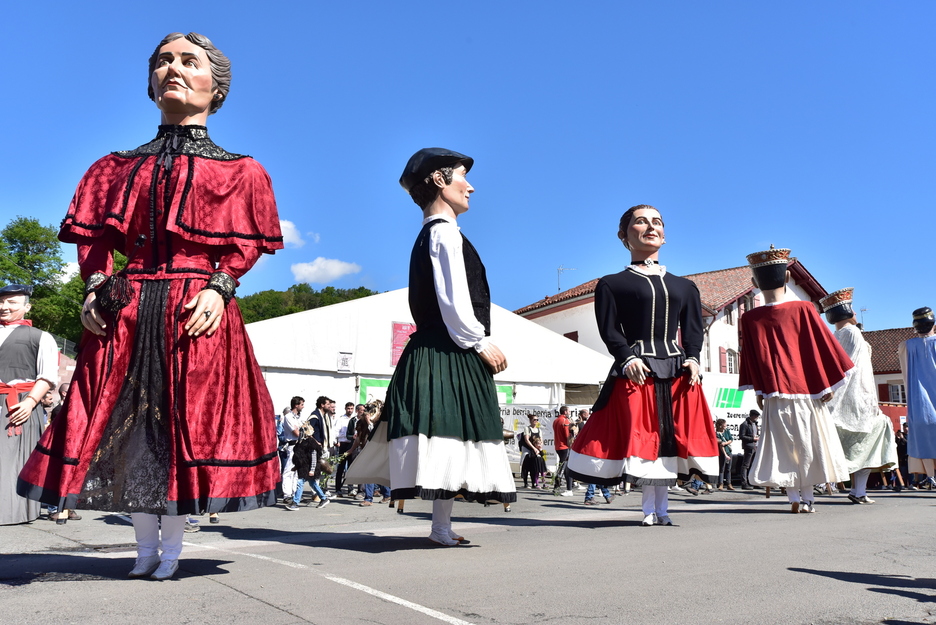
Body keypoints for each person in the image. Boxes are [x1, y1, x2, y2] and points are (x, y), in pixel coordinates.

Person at [17, 33, 283, 580]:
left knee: (182, 428)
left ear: (216, 86)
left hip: (195, 309)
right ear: (149, 82)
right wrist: (95, 288)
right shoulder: (112, 168)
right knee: (126, 427)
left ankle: (172, 550)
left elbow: (245, 245)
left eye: (190, 61)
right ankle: (143, 550)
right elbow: (91, 241)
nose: (174, 69)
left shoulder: (242, 172)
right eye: (163, 61)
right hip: (128, 308)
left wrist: (220, 285)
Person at [345, 148, 516, 546]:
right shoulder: (443, 233)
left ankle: (441, 526)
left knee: (444, 433)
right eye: (461, 176)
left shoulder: (433, 233)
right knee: (447, 430)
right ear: (439, 180)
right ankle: (439, 527)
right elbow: (452, 298)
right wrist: (478, 341)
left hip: (436, 347)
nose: (470, 185)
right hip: (448, 348)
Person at [567, 205, 719, 527]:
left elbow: (692, 330)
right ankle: (649, 509)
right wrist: (627, 357)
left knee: (671, 434)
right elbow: (610, 330)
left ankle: (661, 509)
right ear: (624, 236)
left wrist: (693, 358)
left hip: (678, 369)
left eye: (657, 222)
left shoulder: (685, 287)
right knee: (644, 433)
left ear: (664, 235)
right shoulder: (611, 284)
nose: (651, 227)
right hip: (636, 367)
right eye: (641, 221)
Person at [737, 247, 852, 514]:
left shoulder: (749, 317)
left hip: (775, 392)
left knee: (783, 444)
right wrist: (827, 383)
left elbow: (751, 358)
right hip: (807, 391)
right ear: (788, 277)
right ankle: (809, 497)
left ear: (754, 284)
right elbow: (821, 347)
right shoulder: (804, 308)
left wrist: (759, 389)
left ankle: (793, 497)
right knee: (809, 443)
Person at [820, 288, 897, 504]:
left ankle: (855, 489)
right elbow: (848, 368)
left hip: (851, 399)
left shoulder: (836, 334)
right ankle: (856, 489)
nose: (854, 312)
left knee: (860, 443)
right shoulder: (852, 333)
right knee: (869, 442)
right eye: (851, 308)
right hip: (856, 401)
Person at [0, 284, 58, 525]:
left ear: (27, 306)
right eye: (2, 301)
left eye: (12, 302)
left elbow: (47, 376)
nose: (4, 307)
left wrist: (31, 401)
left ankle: (12, 512)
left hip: (20, 405)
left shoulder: (41, 337)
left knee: (15, 460)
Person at [899, 307, 936, 486]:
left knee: (923, 441)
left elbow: (905, 374)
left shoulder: (906, 346)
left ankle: (931, 476)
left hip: (919, 404)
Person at [519, 414, 546, 488]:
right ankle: (526, 482)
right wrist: (534, 448)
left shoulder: (539, 430)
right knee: (526, 466)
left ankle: (534, 482)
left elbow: (541, 440)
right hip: (528, 448)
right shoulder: (527, 429)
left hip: (536, 449)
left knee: (535, 466)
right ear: (530, 421)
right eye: (534, 420)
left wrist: (539, 448)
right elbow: (527, 440)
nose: (536, 421)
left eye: (537, 420)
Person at [553, 406, 575, 496]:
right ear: (565, 412)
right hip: (564, 447)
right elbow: (567, 436)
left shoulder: (556, 420)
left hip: (558, 446)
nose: (570, 412)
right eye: (569, 411)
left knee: (563, 468)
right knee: (564, 468)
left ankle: (562, 487)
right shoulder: (565, 421)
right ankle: (562, 488)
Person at [738, 411, 760, 489]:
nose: (757, 418)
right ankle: (744, 483)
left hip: (755, 446)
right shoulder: (744, 424)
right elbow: (741, 436)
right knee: (746, 465)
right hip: (749, 446)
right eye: (756, 416)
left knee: (754, 465)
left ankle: (754, 482)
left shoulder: (755, 424)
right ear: (752, 416)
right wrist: (753, 439)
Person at [715, 419, 735, 490]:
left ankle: (729, 484)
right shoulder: (716, 433)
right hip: (722, 452)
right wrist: (725, 454)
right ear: (720, 426)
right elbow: (720, 445)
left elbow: (731, 439)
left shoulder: (727, 431)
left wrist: (726, 443)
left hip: (728, 451)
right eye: (724, 425)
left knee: (728, 468)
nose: (725, 426)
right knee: (722, 468)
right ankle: (720, 484)